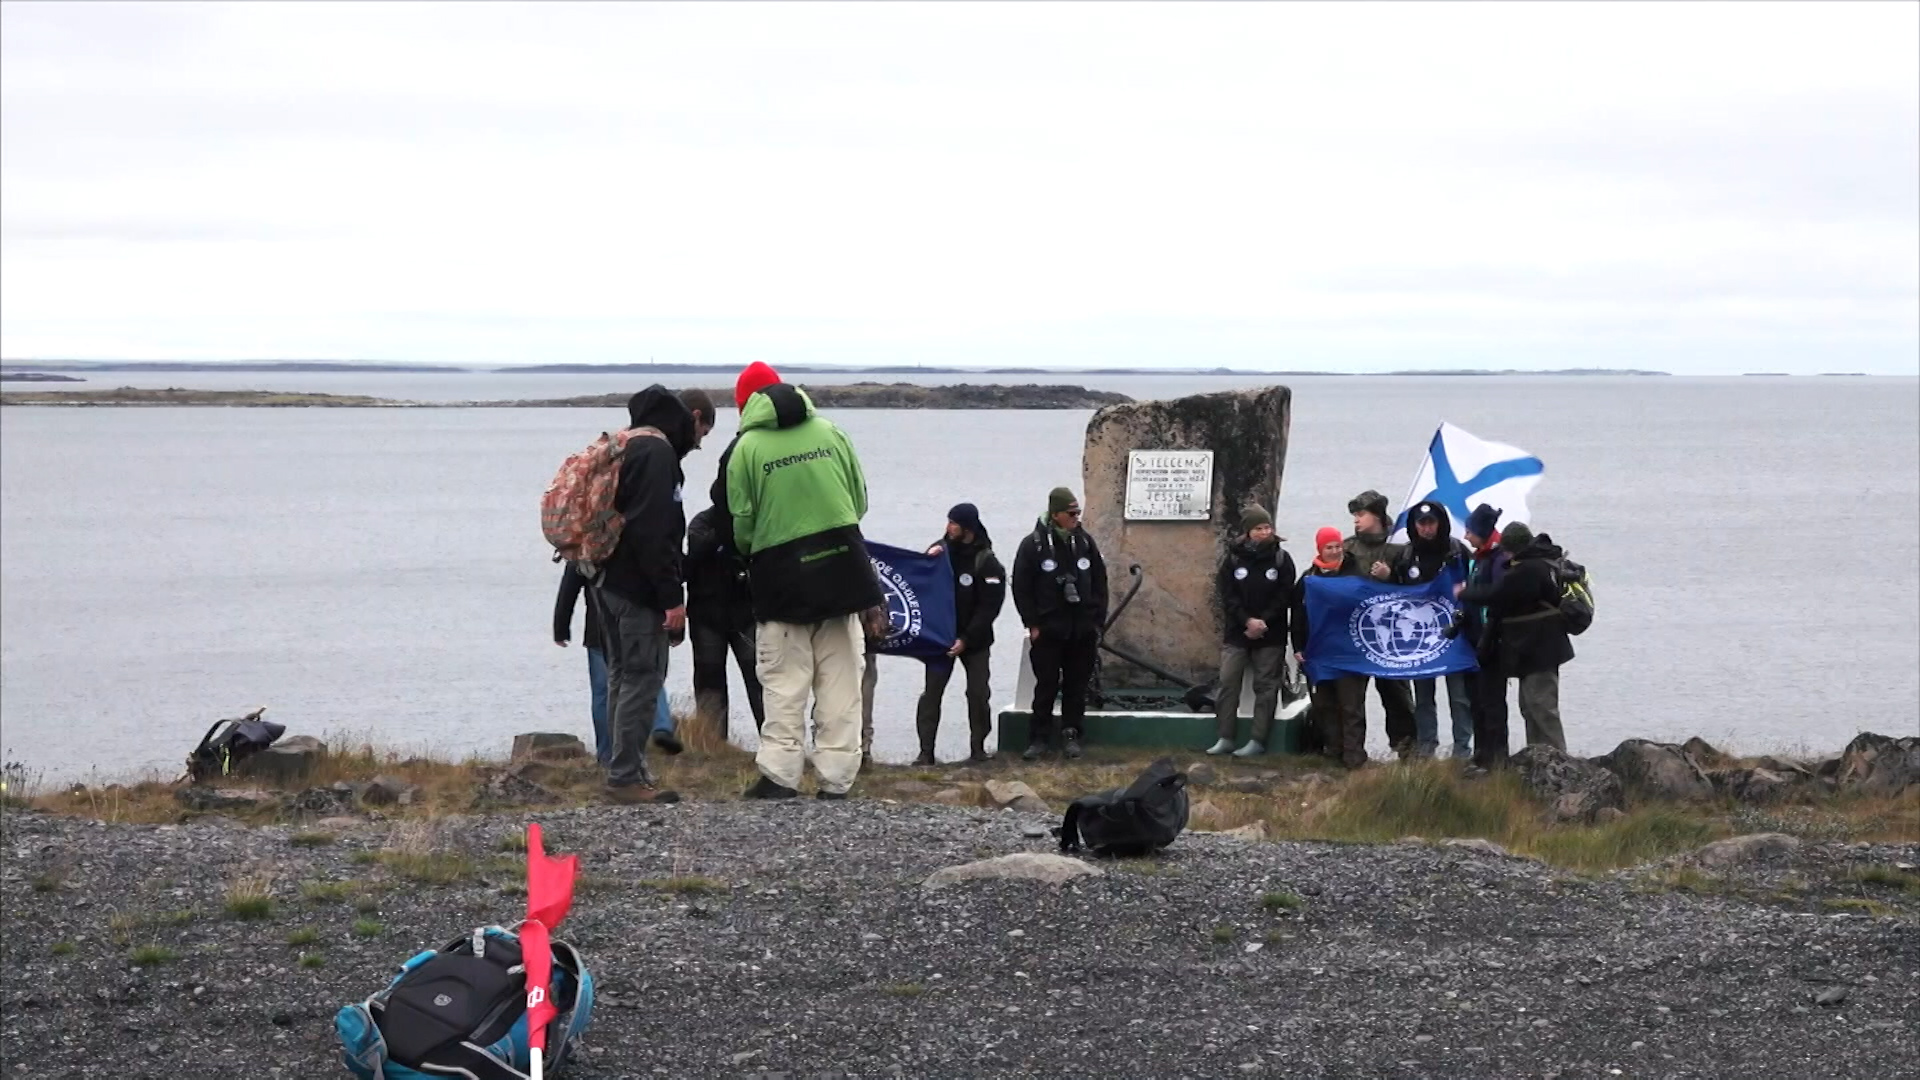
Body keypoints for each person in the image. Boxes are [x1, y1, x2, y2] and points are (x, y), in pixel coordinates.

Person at [726, 364, 881, 800]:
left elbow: (742, 522)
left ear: (746, 405)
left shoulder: (747, 448)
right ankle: (837, 778)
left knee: (783, 679)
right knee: (841, 679)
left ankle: (780, 775)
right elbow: (860, 499)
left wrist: (764, 548)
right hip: (843, 568)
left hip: (781, 578)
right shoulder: (832, 432)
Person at [589, 385, 704, 804]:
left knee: (622, 678)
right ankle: (624, 779)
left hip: (605, 583)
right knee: (641, 680)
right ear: (680, 420)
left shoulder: (624, 447)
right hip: (638, 590)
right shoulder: (657, 456)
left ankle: (626, 769)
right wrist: (671, 598)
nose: (698, 442)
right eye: (698, 433)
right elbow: (654, 532)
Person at [1458, 520, 1574, 759]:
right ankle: (1541, 759)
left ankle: (1559, 765)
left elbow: (1496, 594)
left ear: (1514, 547)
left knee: (1541, 708)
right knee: (1531, 707)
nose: (1505, 554)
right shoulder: (1543, 563)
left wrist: (1464, 592)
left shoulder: (1528, 570)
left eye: (1507, 549)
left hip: (1540, 650)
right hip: (1539, 649)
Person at [1012, 487, 1108, 761]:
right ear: (1056, 515)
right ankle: (1039, 737)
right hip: (1049, 628)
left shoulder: (1085, 543)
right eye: (1071, 513)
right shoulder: (1034, 546)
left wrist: (1096, 621)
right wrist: (1032, 623)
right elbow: (1021, 586)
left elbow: (1100, 582)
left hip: (1081, 629)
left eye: (1078, 512)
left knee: (1077, 686)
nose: (1076, 517)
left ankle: (1071, 733)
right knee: (1046, 685)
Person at [918, 502, 1007, 764]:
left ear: (967, 527)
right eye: (948, 522)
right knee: (931, 694)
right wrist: (926, 561)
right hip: (940, 639)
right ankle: (926, 753)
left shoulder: (986, 561)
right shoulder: (939, 551)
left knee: (978, 693)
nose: (949, 527)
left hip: (975, 641)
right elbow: (920, 586)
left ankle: (977, 750)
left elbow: (989, 607)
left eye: (954, 523)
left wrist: (966, 639)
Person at [1208, 506, 1298, 758]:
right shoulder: (1233, 559)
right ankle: (1225, 736)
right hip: (1238, 632)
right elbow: (1227, 594)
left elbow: (1284, 594)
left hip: (1271, 633)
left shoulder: (1281, 559)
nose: (1264, 532)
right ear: (1247, 532)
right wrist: (1246, 621)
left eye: (1267, 527)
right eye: (1258, 528)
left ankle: (1258, 740)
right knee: (1227, 682)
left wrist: (1262, 621)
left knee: (1266, 686)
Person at [1391, 500, 1475, 759]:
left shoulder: (1457, 550)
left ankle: (1462, 748)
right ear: (1414, 526)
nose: (1427, 529)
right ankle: (1427, 746)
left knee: (1460, 697)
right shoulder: (1406, 556)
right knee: (1424, 697)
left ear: (1440, 523)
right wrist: (1386, 576)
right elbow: (1394, 595)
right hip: (1420, 638)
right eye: (1422, 523)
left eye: (1431, 523)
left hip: (1454, 635)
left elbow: (1474, 584)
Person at [1344, 489, 1418, 758]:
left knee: (1397, 698)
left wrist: (1390, 576)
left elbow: (1415, 590)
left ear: (1376, 515)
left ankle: (1406, 751)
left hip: (1392, 638)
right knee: (1352, 699)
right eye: (1354, 515)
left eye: (1361, 514)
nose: (1356, 520)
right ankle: (1353, 754)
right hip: (1357, 635)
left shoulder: (1401, 547)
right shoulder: (1347, 547)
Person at [683, 505, 764, 740]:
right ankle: (713, 744)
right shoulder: (702, 523)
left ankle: (775, 744)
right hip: (707, 615)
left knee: (760, 680)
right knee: (709, 683)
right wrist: (726, 530)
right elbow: (697, 551)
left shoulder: (752, 522)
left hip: (746, 614)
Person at [1294, 526, 1367, 769]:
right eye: (1329, 547)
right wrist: (1298, 646)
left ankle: (1354, 756)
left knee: (1351, 705)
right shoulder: (1308, 579)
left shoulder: (1356, 574)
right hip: (1320, 652)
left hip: (1350, 652)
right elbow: (1297, 615)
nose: (1335, 551)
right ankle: (1333, 751)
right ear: (1320, 549)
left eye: (1338, 546)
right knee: (1324, 704)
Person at [1456, 503, 1512, 768]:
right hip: (1474, 642)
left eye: (1470, 531)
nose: (1466, 536)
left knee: (1492, 703)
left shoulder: (1499, 560)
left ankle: (1497, 759)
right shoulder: (1479, 558)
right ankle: (1481, 755)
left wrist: (1465, 594)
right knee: (1476, 701)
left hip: (1492, 643)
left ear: (1482, 531)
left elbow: (1499, 597)